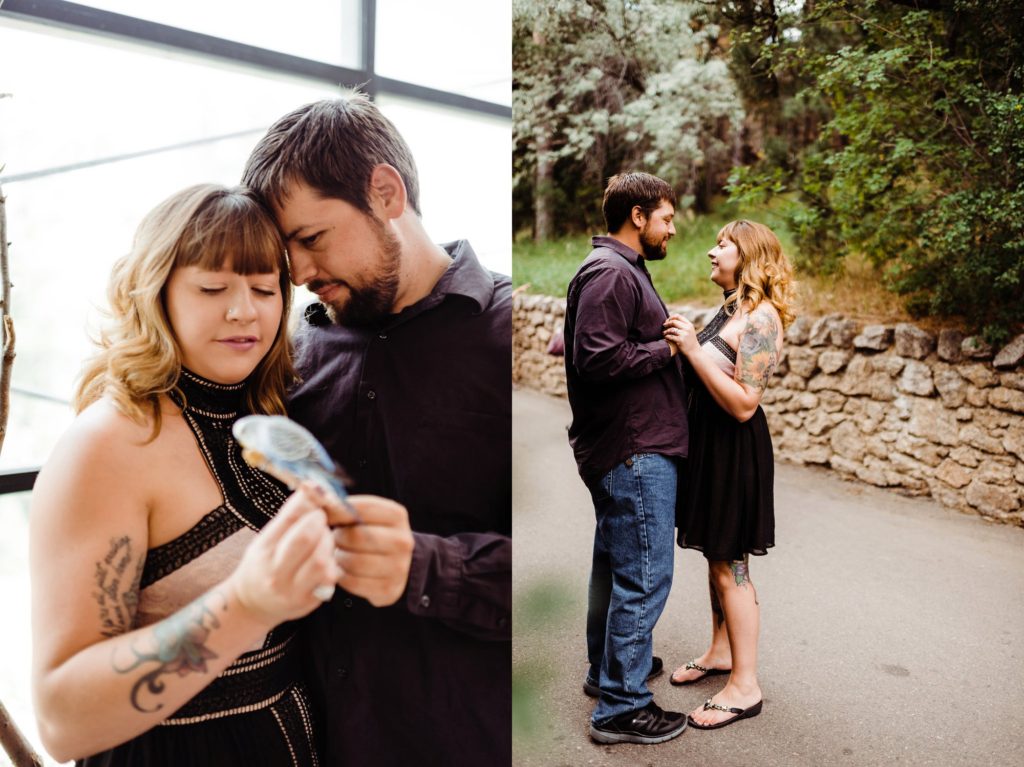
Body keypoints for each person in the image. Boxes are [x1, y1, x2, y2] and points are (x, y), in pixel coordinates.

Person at [29, 184, 347, 765]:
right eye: (211, 287)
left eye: (263, 288)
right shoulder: (109, 443)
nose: (243, 310)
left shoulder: (270, 412)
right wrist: (243, 605)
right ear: (155, 293)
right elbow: (61, 719)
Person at [241, 94, 511, 767]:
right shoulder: (289, 352)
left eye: (311, 239)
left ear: (386, 192)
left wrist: (430, 567)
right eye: (287, 255)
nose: (299, 274)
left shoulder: (516, 339)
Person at [563, 171, 689, 745]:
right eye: (665, 218)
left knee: (615, 571)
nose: (671, 228)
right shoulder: (611, 272)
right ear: (637, 216)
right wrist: (668, 347)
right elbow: (596, 358)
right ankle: (622, 706)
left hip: (628, 445)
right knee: (643, 575)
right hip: (634, 449)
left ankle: (608, 672)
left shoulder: (619, 271)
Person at [662, 219, 795, 730]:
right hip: (707, 448)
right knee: (715, 555)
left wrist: (694, 350)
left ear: (749, 256)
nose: (711, 253)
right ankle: (720, 652)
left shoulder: (762, 320)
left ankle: (745, 685)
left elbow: (744, 405)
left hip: (734, 450)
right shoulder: (731, 309)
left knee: (731, 566)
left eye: (723, 245)